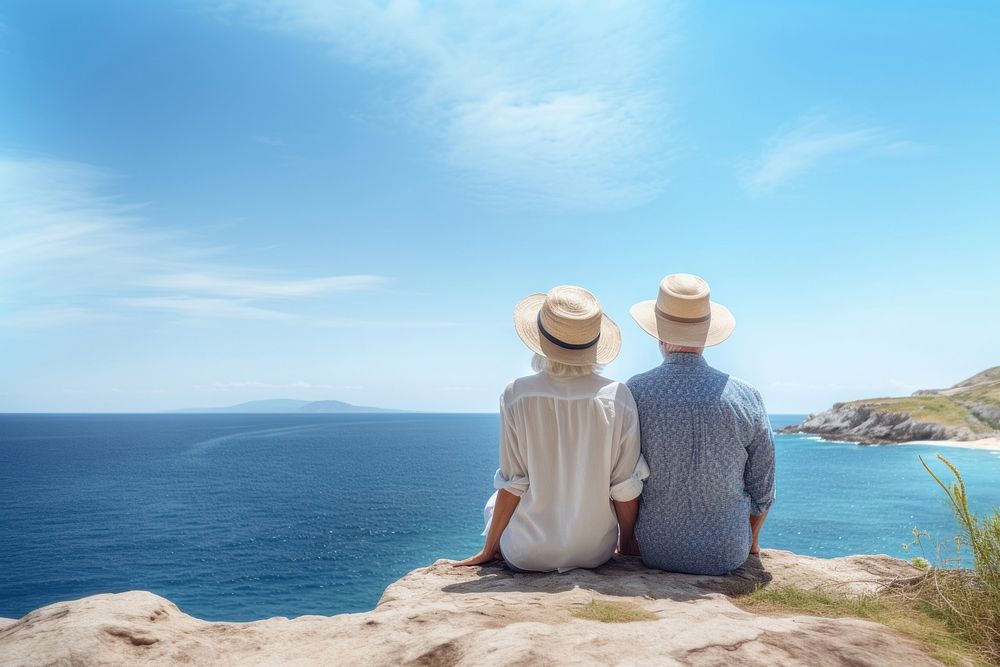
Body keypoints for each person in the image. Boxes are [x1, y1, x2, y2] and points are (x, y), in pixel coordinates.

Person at [452, 285, 649, 571]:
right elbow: (624, 487)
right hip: (594, 552)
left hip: (527, 553)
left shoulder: (516, 394)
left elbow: (514, 483)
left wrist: (489, 549)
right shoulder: (618, 397)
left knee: (495, 499)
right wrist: (627, 544)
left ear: (540, 341)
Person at [626, 273, 775, 576]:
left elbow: (621, 479)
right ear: (705, 337)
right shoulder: (746, 396)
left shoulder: (635, 391)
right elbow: (764, 487)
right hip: (727, 553)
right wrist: (751, 543)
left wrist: (626, 541)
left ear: (659, 335)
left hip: (654, 549)